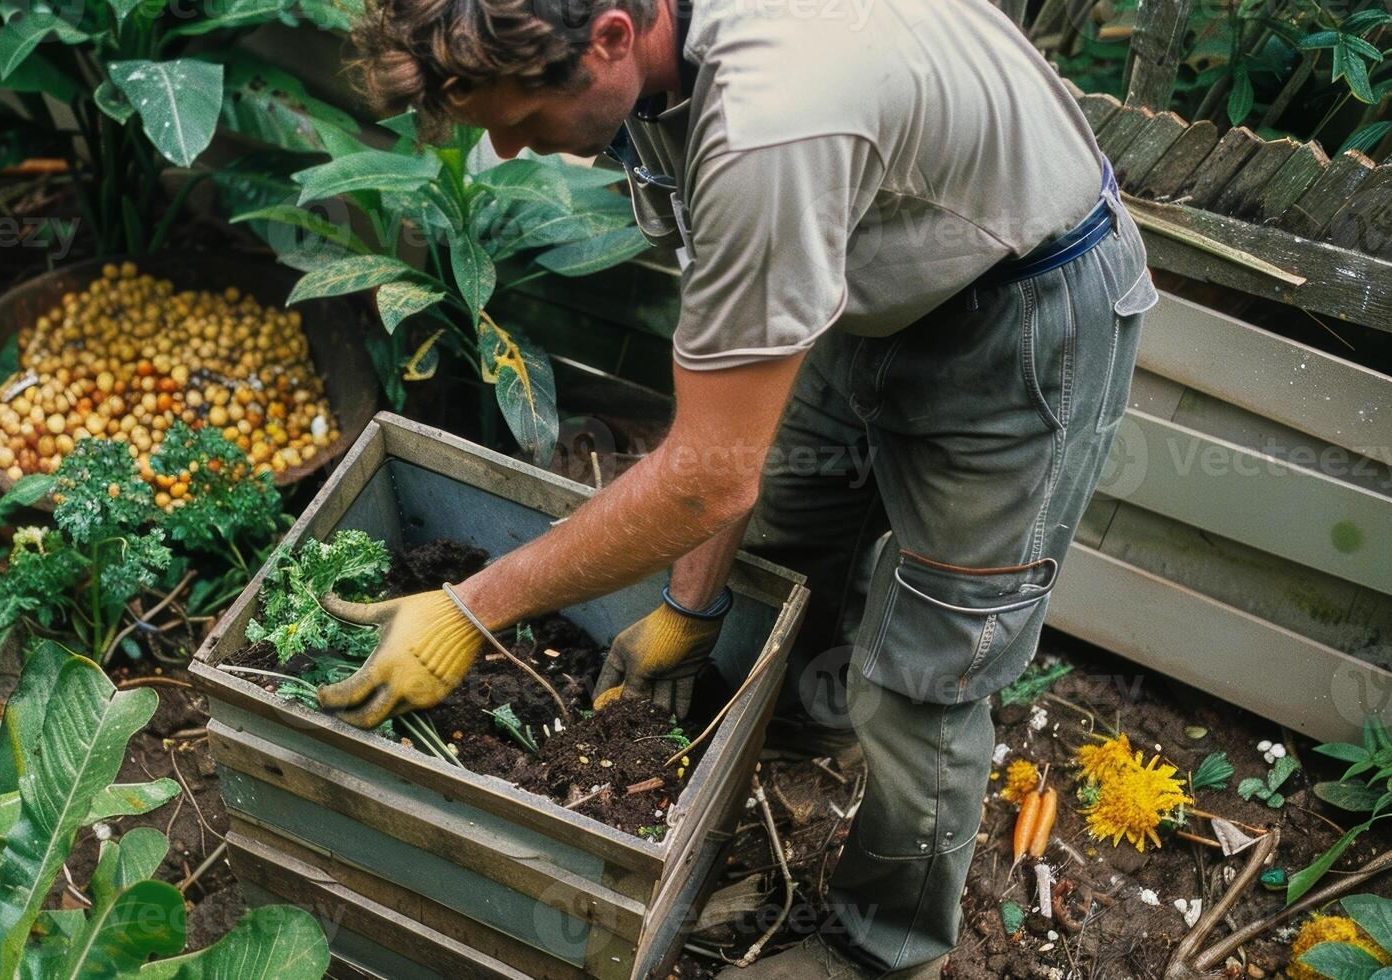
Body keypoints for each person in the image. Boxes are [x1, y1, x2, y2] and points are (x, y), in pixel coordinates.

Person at [312, 0, 1159, 974]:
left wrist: (472, 607)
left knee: (929, 675)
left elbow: (706, 479)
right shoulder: (671, 68)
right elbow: (725, 435)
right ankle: (802, 726)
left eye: (524, 116)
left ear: (614, 37)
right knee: (794, 537)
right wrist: (691, 601)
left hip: (1020, 320)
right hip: (868, 275)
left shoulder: (772, 120)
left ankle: (882, 947)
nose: (505, 144)